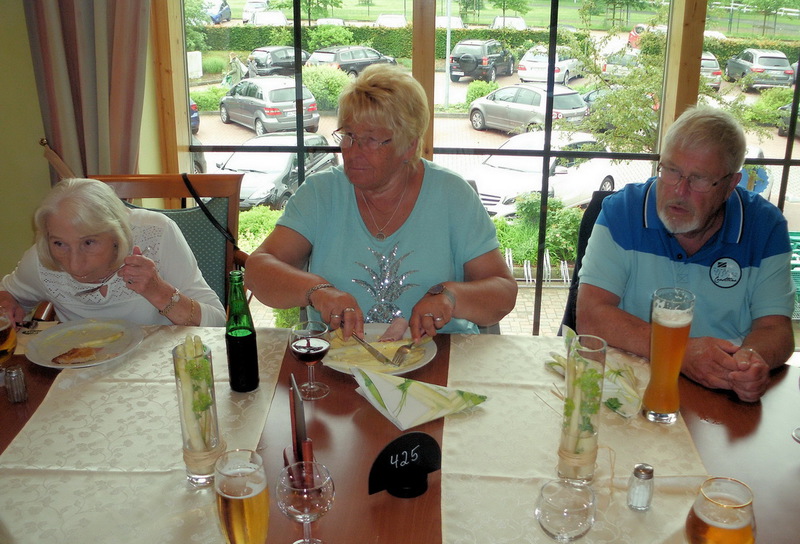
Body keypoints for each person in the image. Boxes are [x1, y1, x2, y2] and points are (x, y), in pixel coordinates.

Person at [244, 64, 517, 341]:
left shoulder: (452, 195)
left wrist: (451, 297)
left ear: (409, 145)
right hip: (339, 358)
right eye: (349, 135)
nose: (353, 151)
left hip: (440, 356)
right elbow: (258, 270)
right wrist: (316, 290)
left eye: (371, 140)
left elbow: (503, 292)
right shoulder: (321, 193)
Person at [576, 106, 795, 403]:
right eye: (671, 171)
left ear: (731, 184)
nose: (679, 191)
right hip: (630, 388)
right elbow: (591, 316)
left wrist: (749, 362)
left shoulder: (765, 226)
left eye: (699, 179)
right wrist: (680, 353)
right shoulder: (622, 211)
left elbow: (775, 329)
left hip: (722, 393)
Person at [0, 178, 225, 327]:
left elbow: (218, 323)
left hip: (162, 372)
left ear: (117, 235)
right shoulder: (41, 259)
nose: (74, 265)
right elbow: (8, 295)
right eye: (59, 244)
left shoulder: (156, 234)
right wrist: (7, 306)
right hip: (83, 375)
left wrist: (159, 292)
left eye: (88, 243)